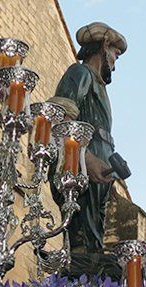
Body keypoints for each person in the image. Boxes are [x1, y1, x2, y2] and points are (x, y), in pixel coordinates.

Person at [50, 22, 127, 252]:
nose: (114, 65)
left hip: (98, 176)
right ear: (104, 46)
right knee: (83, 242)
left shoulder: (99, 86)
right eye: (115, 54)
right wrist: (89, 159)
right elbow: (62, 119)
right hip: (80, 172)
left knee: (95, 241)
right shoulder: (80, 73)